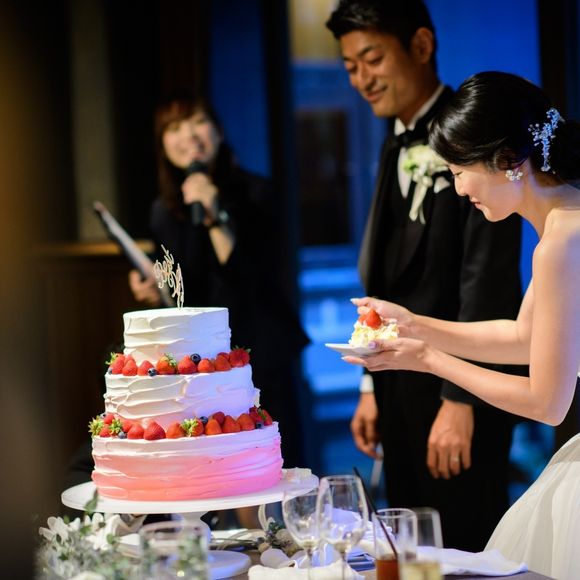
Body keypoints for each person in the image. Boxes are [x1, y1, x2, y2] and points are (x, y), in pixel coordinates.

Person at [345, 71, 580, 579]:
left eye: (459, 171)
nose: (457, 189)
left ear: (507, 160)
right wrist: (415, 325)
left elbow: (548, 403)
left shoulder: (563, 240)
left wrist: (430, 361)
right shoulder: (562, 221)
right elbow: (522, 339)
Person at [326, 0, 523, 551]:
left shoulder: (471, 132)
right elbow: (384, 272)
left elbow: (487, 277)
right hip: (398, 382)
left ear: (420, 46)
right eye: (350, 67)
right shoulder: (395, 137)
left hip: (461, 383)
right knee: (407, 540)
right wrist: (370, 381)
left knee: (462, 542)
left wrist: (459, 401)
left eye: (372, 59)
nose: (362, 79)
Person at [129, 93, 310, 473]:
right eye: (174, 128)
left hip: (259, 355)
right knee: (212, 474)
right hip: (200, 366)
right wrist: (153, 288)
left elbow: (254, 279)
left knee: (272, 469)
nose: (189, 136)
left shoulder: (258, 192)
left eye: (198, 122)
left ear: (219, 131)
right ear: (162, 144)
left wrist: (215, 217)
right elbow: (181, 294)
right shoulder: (163, 211)